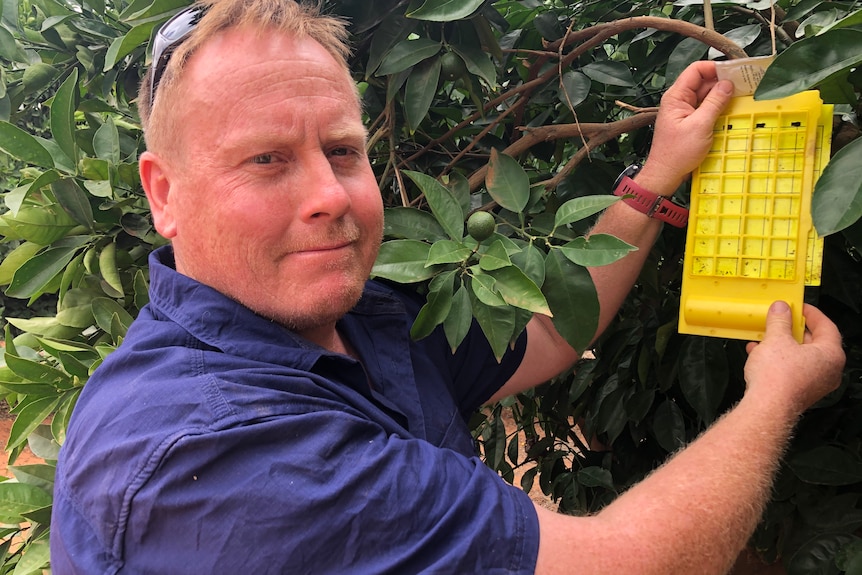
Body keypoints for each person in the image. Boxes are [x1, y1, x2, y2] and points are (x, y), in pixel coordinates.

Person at [50, 0, 845, 572]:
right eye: (267, 159)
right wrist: (775, 396)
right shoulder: (209, 458)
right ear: (164, 195)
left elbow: (547, 335)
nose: (329, 194)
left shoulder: (357, 314)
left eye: (343, 149)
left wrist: (657, 173)